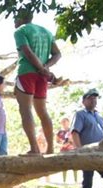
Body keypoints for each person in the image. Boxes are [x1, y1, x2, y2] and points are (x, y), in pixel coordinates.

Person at [13, 10, 61, 155]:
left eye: (15, 19)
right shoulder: (47, 32)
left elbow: (27, 52)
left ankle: (34, 148)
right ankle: (50, 148)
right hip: (42, 77)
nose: (14, 22)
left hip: (27, 72)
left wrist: (41, 68)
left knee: (25, 109)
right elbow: (58, 54)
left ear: (22, 18)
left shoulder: (20, 31)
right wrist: (46, 68)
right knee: (42, 112)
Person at [70, 89, 103, 188]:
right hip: (87, 152)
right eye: (90, 98)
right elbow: (75, 132)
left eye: (95, 98)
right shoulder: (80, 114)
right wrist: (80, 149)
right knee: (88, 178)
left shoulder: (99, 116)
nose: (93, 100)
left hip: (101, 151)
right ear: (83, 101)